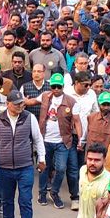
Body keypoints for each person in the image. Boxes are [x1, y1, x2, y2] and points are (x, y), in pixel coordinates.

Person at [0, 90, 47, 218]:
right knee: (7, 199)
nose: (21, 106)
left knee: (25, 200)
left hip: (25, 167)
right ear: (8, 104)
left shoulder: (29, 118)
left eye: (22, 103)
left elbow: (38, 140)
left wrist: (42, 159)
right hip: (4, 168)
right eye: (17, 104)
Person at [31, 73, 78, 209]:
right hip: (44, 140)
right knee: (43, 167)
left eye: (59, 86)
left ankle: (54, 192)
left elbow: (77, 121)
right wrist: (20, 101)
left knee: (61, 169)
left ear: (63, 86)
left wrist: (80, 139)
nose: (56, 89)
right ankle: (42, 193)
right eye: (53, 86)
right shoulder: (45, 96)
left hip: (62, 141)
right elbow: (32, 101)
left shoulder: (70, 101)